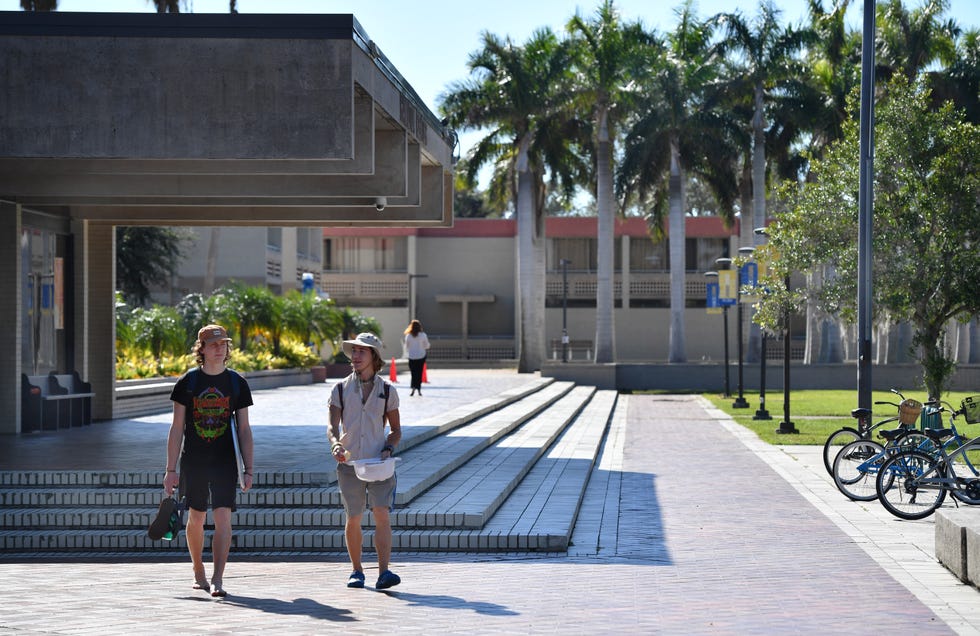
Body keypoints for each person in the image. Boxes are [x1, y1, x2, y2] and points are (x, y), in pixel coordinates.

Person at [164, 324, 254, 598]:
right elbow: (176, 428)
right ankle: (198, 570)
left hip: (226, 461)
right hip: (194, 460)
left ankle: (218, 578)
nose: (219, 348)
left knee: (224, 517)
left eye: (223, 344)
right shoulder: (187, 383)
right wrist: (170, 469)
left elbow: (244, 429)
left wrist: (249, 468)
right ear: (201, 349)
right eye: (213, 344)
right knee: (196, 516)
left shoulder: (237, 383)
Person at [328, 332, 403, 589]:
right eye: (354, 351)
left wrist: (389, 449)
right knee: (354, 516)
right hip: (349, 464)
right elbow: (331, 426)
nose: (356, 356)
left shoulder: (387, 390)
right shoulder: (339, 389)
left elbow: (395, 431)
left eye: (362, 351)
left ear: (374, 356)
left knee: (381, 514)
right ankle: (356, 571)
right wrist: (335, 443)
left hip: (379, 465)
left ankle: (384, 573)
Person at [402, 319, 430, 396]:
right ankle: (419, 388)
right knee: (419, 372)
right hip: (421, 356)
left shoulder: (408, 336)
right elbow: (427, 345)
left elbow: (406, 346)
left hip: (412, 357)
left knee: (413, 373)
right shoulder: (423, 335)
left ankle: (413, 387)